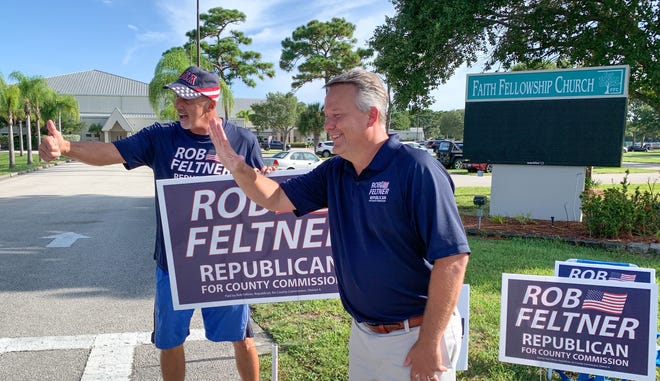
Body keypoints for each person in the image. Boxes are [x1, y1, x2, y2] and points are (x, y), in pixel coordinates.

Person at [207, 69, 470, 381]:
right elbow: (276, 199)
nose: (327, 125)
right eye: (326, 115)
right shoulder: (335, 171)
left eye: (337, 115)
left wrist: (429, 342)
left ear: (371, 115)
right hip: (364, 334)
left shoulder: (416, 169)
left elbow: (453, 258)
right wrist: (237, 166)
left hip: (415, 336)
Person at [38, 66, 262, 381]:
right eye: (176, 97)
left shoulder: (243, 140)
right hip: (174, 266)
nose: (178, 105)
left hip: (225, 265)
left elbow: (262, 195)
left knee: (243, 337)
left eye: (187, 99)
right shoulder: (161, 137)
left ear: (211, 106)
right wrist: (67, 148)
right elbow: (111, 151)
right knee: (170, 341)